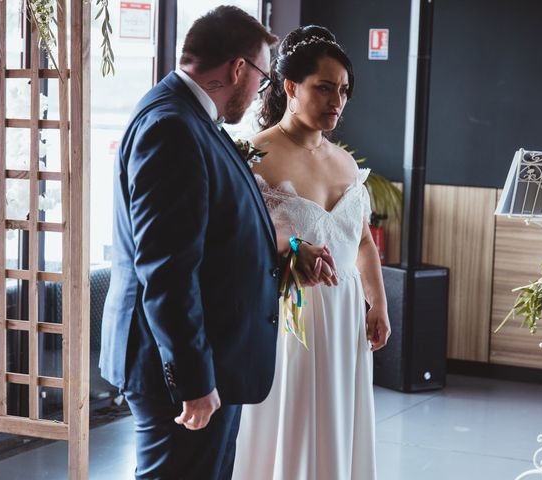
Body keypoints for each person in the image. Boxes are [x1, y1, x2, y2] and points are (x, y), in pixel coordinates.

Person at [99, 7, 334, 480]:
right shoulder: (172, 127)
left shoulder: (192, 119)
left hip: (209, 357)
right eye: (264, 80)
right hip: (182, 369)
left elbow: (215, 231)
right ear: (238, 69)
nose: (260, 93)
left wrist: (286, 250)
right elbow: (166, 269)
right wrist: (194, 379)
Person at [232, 25, 391, 480]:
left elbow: (361, 240)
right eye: (324, 88)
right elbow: (237, 240)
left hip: (343, 318)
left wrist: (377, 302)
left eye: (343, 91)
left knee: (337, 427)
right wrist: (289, 249)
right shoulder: (253, 156)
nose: (336, 101)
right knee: (291, 423)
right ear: (289, 87)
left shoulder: (344, 162)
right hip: (287, 319)